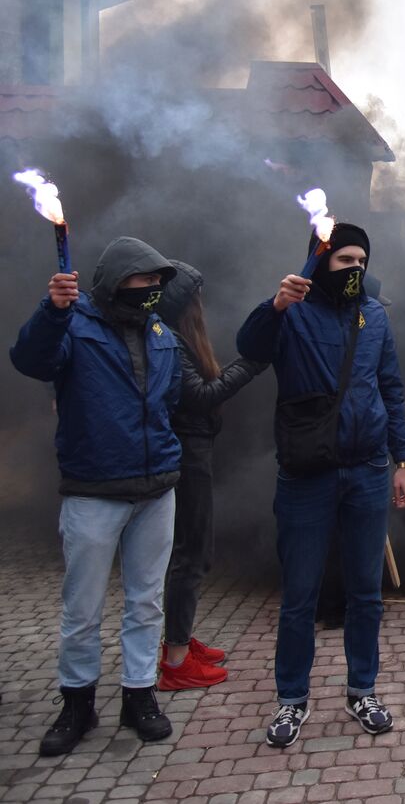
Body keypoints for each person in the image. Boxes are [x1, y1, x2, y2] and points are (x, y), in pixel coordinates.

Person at [237, 222, 405, 749]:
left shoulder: (376, 316)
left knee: (366, 593)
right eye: (344, 261)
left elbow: (392, 388)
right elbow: (249, 346)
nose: (355, 268)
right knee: (300, 596)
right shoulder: (292, 312)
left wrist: (402, 460)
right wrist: (275, 305)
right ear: (321, 263)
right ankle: (291, 700)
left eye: (362, 260)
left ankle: (363, 689)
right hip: (306, 475)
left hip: (367, 472)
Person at [11, 237, 181, 756]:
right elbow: (30, 359)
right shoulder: (72, 324)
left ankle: (139, 695)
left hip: (156, 491)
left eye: (158, 281)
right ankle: (77, 703)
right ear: (113, 282)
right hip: (93, 491)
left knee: (146, 602)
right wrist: (52, 310)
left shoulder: (161, 332)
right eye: (142, 279)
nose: (151, 288)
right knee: (82, 607)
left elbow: (168, 401)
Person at [158, 261, 267, 691]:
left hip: (194, 449)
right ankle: (177, 661)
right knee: (192, 554)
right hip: (187, 454)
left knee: (193, 550)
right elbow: (202, 396)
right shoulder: (173, 342)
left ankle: (179, 641)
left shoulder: (179, 341)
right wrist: (252, 364)